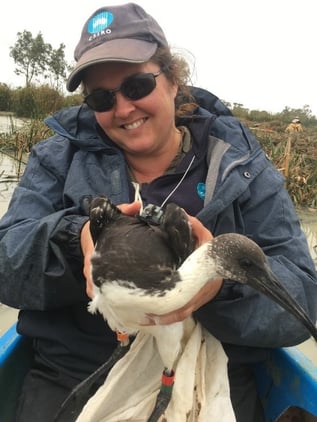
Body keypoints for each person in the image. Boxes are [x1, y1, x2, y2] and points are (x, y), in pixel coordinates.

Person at [0, 3, 316, 422]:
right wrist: (77, 245)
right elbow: (6, 264)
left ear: (172, 79)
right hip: (74, 374)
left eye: (136, 85)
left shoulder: (243, 166)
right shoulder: (57, 158)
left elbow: (303, 302)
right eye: (101, 97)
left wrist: (216, 288)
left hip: (212, 371)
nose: (124, 108)